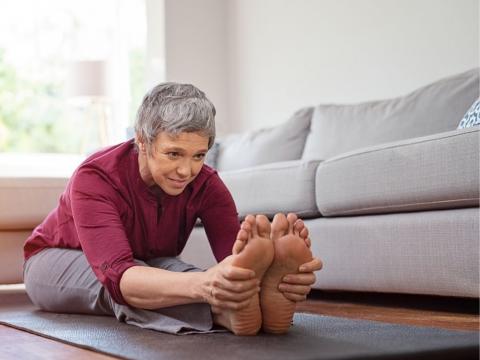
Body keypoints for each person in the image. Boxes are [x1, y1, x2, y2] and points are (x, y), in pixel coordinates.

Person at [23, 83, 323, 336]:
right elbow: (119, 276)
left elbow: (235, 262)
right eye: (174, 153)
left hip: (145, 262)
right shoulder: (95, 177)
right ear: (142, 141)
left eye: (198, 155)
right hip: (56, 260)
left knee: (178, 273)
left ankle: (242, 307)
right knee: (129, 286)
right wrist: (206, 285)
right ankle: (220, 313)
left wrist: (274, 277)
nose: (186, 170)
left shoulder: (207, 183)